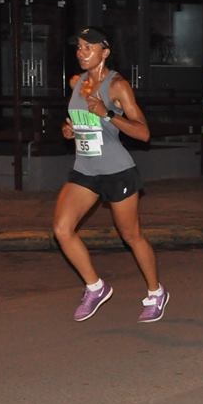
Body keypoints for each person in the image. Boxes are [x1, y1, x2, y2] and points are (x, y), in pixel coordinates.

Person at [53, 26, 168, 322]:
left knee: (131, 236)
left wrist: (109, 114)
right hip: (85, 169)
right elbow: (80, 125)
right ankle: (96, 287)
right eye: (78, 47)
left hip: (118, 171)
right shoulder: (76, 82)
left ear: (105, 52)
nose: (81, 52)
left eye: (88, 47)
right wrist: (71, 130)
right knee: (62, 229)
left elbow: (143, 133)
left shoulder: (118, 86)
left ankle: (156, 292)